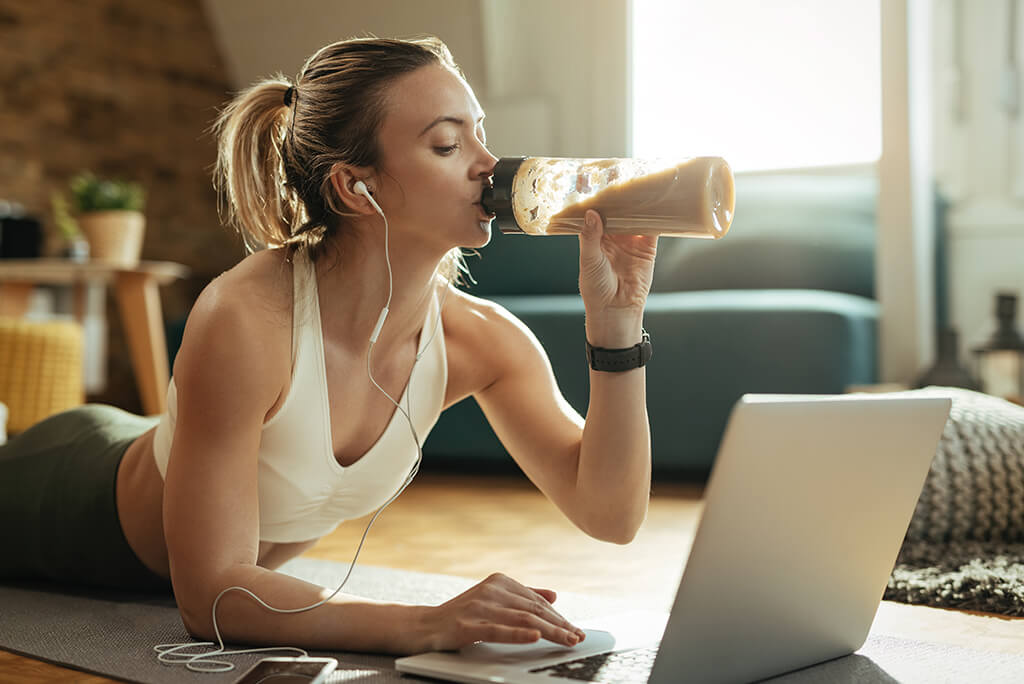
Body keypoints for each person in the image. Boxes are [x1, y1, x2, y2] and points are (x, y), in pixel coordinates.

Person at [0, 36, 658, 656]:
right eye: (447, 145)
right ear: (354, 185)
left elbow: (611, 514)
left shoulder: (478, 340)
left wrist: (617, 326)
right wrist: (426, 624)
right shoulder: (247, 318)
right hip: (64, 493)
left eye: (480, 134)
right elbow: (210, 598)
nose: (488, 164)